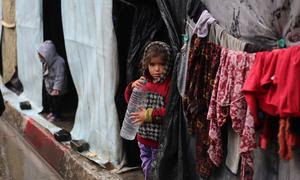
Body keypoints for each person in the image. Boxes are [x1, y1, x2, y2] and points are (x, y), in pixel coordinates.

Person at [124, 41, 172, 179]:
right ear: (147, 65)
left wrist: (148, 114)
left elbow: (169, 112)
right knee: (146, 164)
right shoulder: (144, 82)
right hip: (143, 137)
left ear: (168, 65)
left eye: (161, 64)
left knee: (157, 168)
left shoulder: (168, 86)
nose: (157, 69)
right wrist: (132, 87)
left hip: (160, 140)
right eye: (152, 64)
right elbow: (130, 103)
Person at [37, 40, 67, 122]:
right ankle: (53, 112)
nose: (41, 58)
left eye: (42, 56)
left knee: (57, 102)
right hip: (50, 86)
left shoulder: (59, 62)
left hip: (57, 89)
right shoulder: (46, 62)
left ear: (49, 54)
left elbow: (60, 76)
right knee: (51, 101)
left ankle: (57, 115)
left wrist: (56, 88)